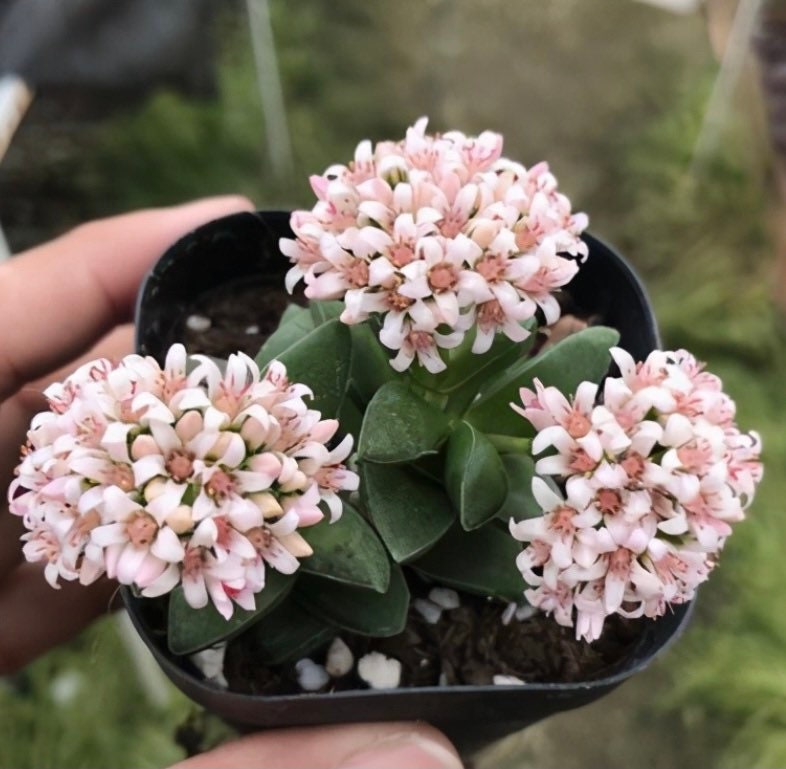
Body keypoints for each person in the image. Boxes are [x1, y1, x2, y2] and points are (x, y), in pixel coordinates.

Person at [0, 197, 463, 769]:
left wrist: (220, 484)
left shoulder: (209, 449)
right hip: (246, 484)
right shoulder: (153, 505)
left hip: (257, 467)